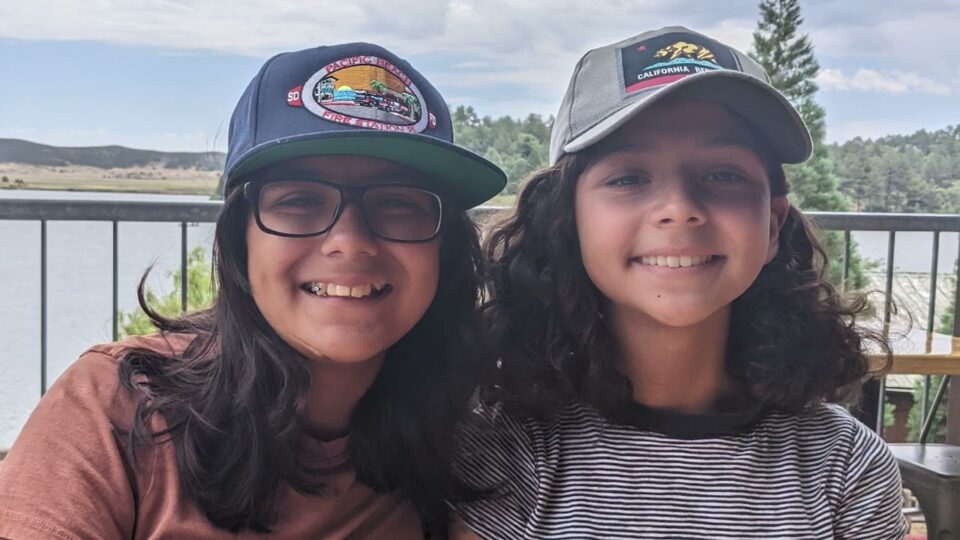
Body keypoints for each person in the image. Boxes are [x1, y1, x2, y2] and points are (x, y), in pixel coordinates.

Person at [0, 42, 505, 539]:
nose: (350, 243)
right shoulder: (115, 406)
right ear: (241, 240)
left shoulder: (479, 431)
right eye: (299, 200)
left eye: (398, 203)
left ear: (445, 247)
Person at [453, 26, 908, 539]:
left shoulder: (843, 465)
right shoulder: (504, 448)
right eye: (628, 177)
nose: (680, 210)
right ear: (567, 220)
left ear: (773, 225)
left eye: (723, 174)